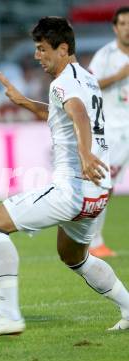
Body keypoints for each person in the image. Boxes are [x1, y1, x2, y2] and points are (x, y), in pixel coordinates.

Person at [0, 17, 129, 339]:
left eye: (43, 49)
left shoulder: (62, 83)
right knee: (74, 257)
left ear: (63, 48)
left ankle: (7, 314)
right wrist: (24, 102)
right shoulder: (87, 78)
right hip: (97, 194)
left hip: (72, 189)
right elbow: (61, 113)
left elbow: (79, 114)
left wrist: (84, 154)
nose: (37, 56)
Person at [88, 6, 129, 258]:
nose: (127, 28)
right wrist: (117, 76)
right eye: (123, 23)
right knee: (105, 186)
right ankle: (94, 240)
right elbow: (89, 85)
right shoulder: (105, 55)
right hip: (113, 130)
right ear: (115, 28)